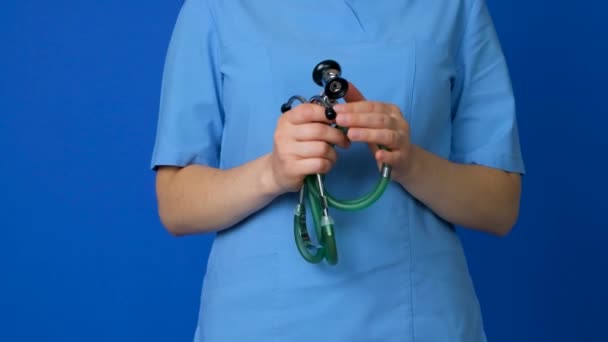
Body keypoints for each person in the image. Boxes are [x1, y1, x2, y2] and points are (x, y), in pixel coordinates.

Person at [150, 0, 525, 341]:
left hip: (418, 320)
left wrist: (408, 161)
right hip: (259, 321)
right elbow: (176, 206)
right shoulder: (216, 8)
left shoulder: (453, 7)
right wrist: (273, 174)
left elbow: (500, 206)